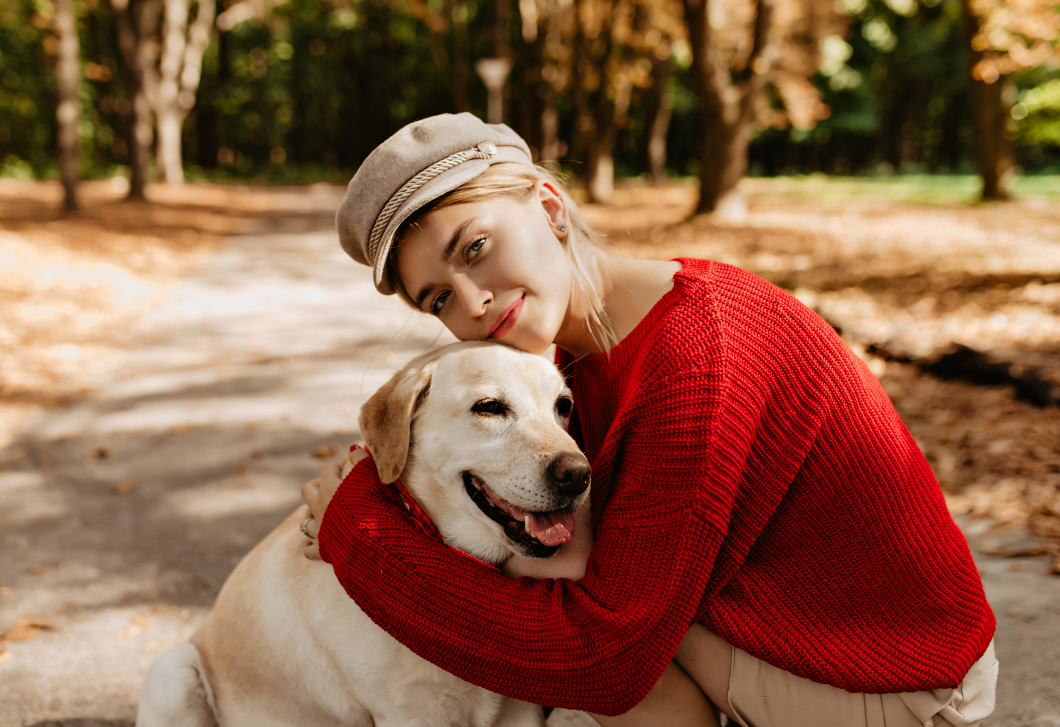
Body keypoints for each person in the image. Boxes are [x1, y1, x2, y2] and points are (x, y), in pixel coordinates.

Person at [299, 113, 997, 727]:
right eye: (438, 297)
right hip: (789, 630)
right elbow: (566, 555)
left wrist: (359, 532)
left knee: (610, 649)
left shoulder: (698, 358)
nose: (474, 302)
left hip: (899, 681)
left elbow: (606, 663)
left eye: (475, 247)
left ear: (549, 205)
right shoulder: (578, 355)